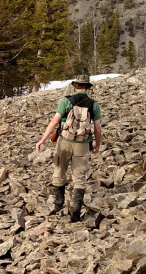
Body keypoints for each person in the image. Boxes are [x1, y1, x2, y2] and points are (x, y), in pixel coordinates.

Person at [34, 75, 102, 222]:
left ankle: (58, 205)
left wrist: (42, 139)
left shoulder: (66, 100)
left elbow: (54, 122)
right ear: (88, 87)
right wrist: (97, 144)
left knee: (59, 171)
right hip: (83, 144)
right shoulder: (93, 104)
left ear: (76, 85)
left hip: (64, 141)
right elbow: (98, 129)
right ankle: (76, 211)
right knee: (79, 177)